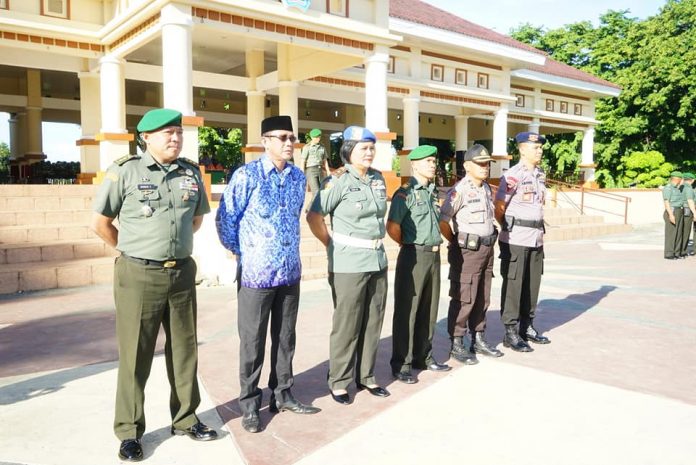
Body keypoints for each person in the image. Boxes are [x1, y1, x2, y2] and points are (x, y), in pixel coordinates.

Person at [90, 108, 218, 462]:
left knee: (184, 349)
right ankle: (130, 432)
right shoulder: (125, 172)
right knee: (135, 354)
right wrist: (132, 250)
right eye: (166, 133)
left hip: (181, 274)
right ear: (145, 137)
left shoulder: (190, 173)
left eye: (177, 132)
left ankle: (186, 418)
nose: (174, 138)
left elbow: (194, 221)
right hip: (138, 274)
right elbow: (101, 223)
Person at [216, 115, 320, 433]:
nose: (289, 143)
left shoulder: (298, 178)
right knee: (252, 342)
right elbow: (225, 219)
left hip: (289, 271)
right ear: (265, 140)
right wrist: (244, 254)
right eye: (282, 137)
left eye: (292, 138)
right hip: (256, 276)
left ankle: (282, 393)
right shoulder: (246, 176)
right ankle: (249, 403)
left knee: (286, 338)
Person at [306, 126, 390, 405]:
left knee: (373, 320)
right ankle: (340, 380)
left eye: (371, 147)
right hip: (348, 262)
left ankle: (366, 376)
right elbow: (314, 216)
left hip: (377, 260)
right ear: (348, 151)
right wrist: (330, 244)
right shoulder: (337, 181)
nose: (369, 152)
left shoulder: (378, 179)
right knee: (347, 323)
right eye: (363, 148)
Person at [387, 145, 450, 384]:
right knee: (408, 311)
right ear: (414, 165)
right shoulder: (406, 193)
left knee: (429, 309)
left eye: (434, 161)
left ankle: (423, 356)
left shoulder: (432, 192)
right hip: (413, 255)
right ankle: (401, 363)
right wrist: (409, 244)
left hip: (434, 256)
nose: (432, 165)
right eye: (427, 161)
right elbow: (392, 227)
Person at [440, 144, 503, 364]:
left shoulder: (486, 188)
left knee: (483, 296)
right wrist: (456, 243)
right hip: (467, 251)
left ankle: (479, 337)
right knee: (464, 296)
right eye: (480, 164)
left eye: (487, 164)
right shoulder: (460, 190)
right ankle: (457, 342)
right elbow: (443, 221)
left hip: (487, 249)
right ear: (467, 166)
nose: (485, 167)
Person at [494, 132, 551, 353]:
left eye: (540, 147)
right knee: (514, 286)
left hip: (536, 239)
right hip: (516, 239)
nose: (540, 150)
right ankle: (510, 331)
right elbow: (500, 207)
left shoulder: (539, 175)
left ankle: (527, 326)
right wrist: (509, 229)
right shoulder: (512, 176)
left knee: (532, 284)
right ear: (522, 149)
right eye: (535, 147)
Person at [662, 171, 684, 260]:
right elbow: (666, 202)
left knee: (678, 233)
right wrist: (671, 215)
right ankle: (669, 253)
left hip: (679, 211)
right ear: (677, 179)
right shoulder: (668, 188)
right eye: (681, 179)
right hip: (672, 211)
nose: (682, 181)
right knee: (671, 233)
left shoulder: (677, 188)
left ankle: (676, 252)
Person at [301, 128, 330, 194]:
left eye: (319, 137)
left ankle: (316, 204)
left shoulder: (322, 146)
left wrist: (328, 170)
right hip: (311, 170)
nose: (318, 139)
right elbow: (303, 161)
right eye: (316, 137)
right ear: (312, 137)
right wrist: (302, 173)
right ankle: (315, 204)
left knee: (322, 191)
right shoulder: (307, 147)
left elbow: (325, 160)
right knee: (316, 192)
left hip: (320, 170)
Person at [679, 173, 696, 257]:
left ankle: (680, 250)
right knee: (686, 231)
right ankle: (683, 251)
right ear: (692, 180)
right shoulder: (689, 188)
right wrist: (694, 213)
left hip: (682, 210)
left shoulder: (681, 187)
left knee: (682, 231)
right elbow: (690, 201)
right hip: (688, 210)